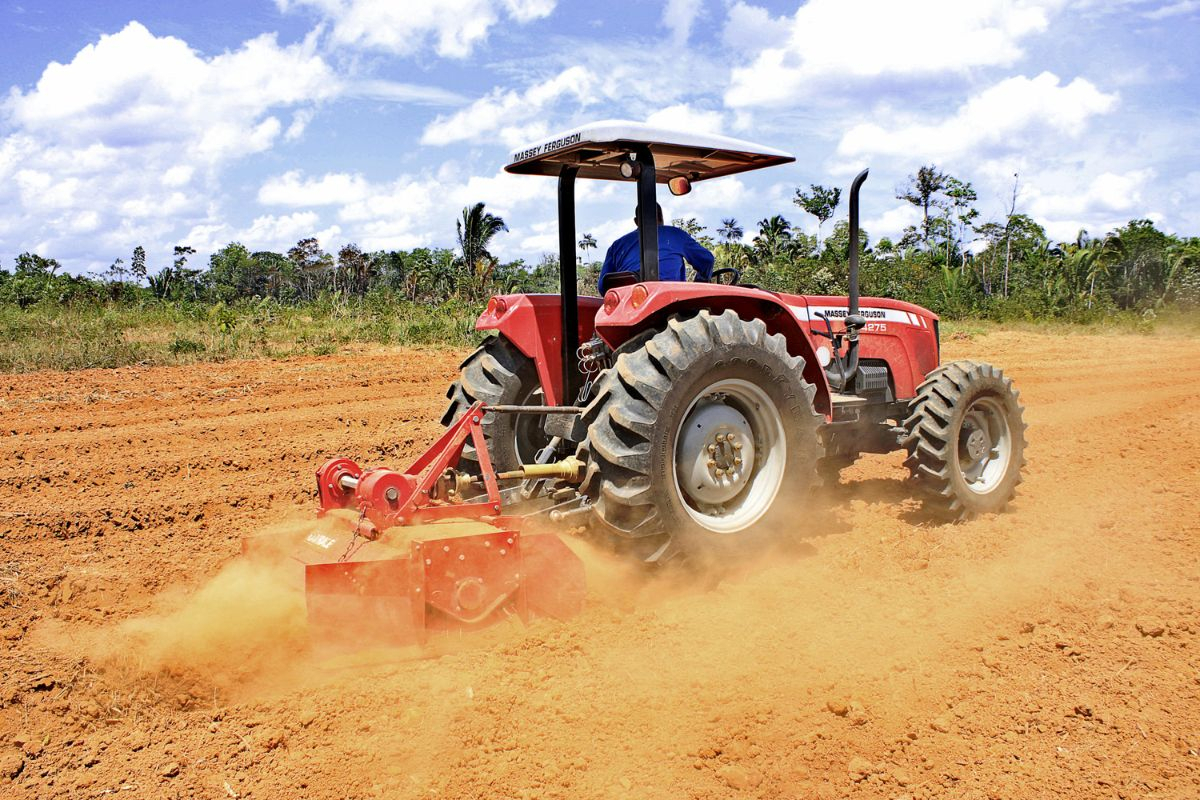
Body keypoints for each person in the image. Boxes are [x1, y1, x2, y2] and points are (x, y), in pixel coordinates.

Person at [598, 203, 714, 292]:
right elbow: (707, 260)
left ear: (636, 221)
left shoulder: (616, 246)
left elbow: (603, 286)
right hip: (669, 303)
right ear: (661, 217)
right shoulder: (674, 234)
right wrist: (700, 284)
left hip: (626, 305)